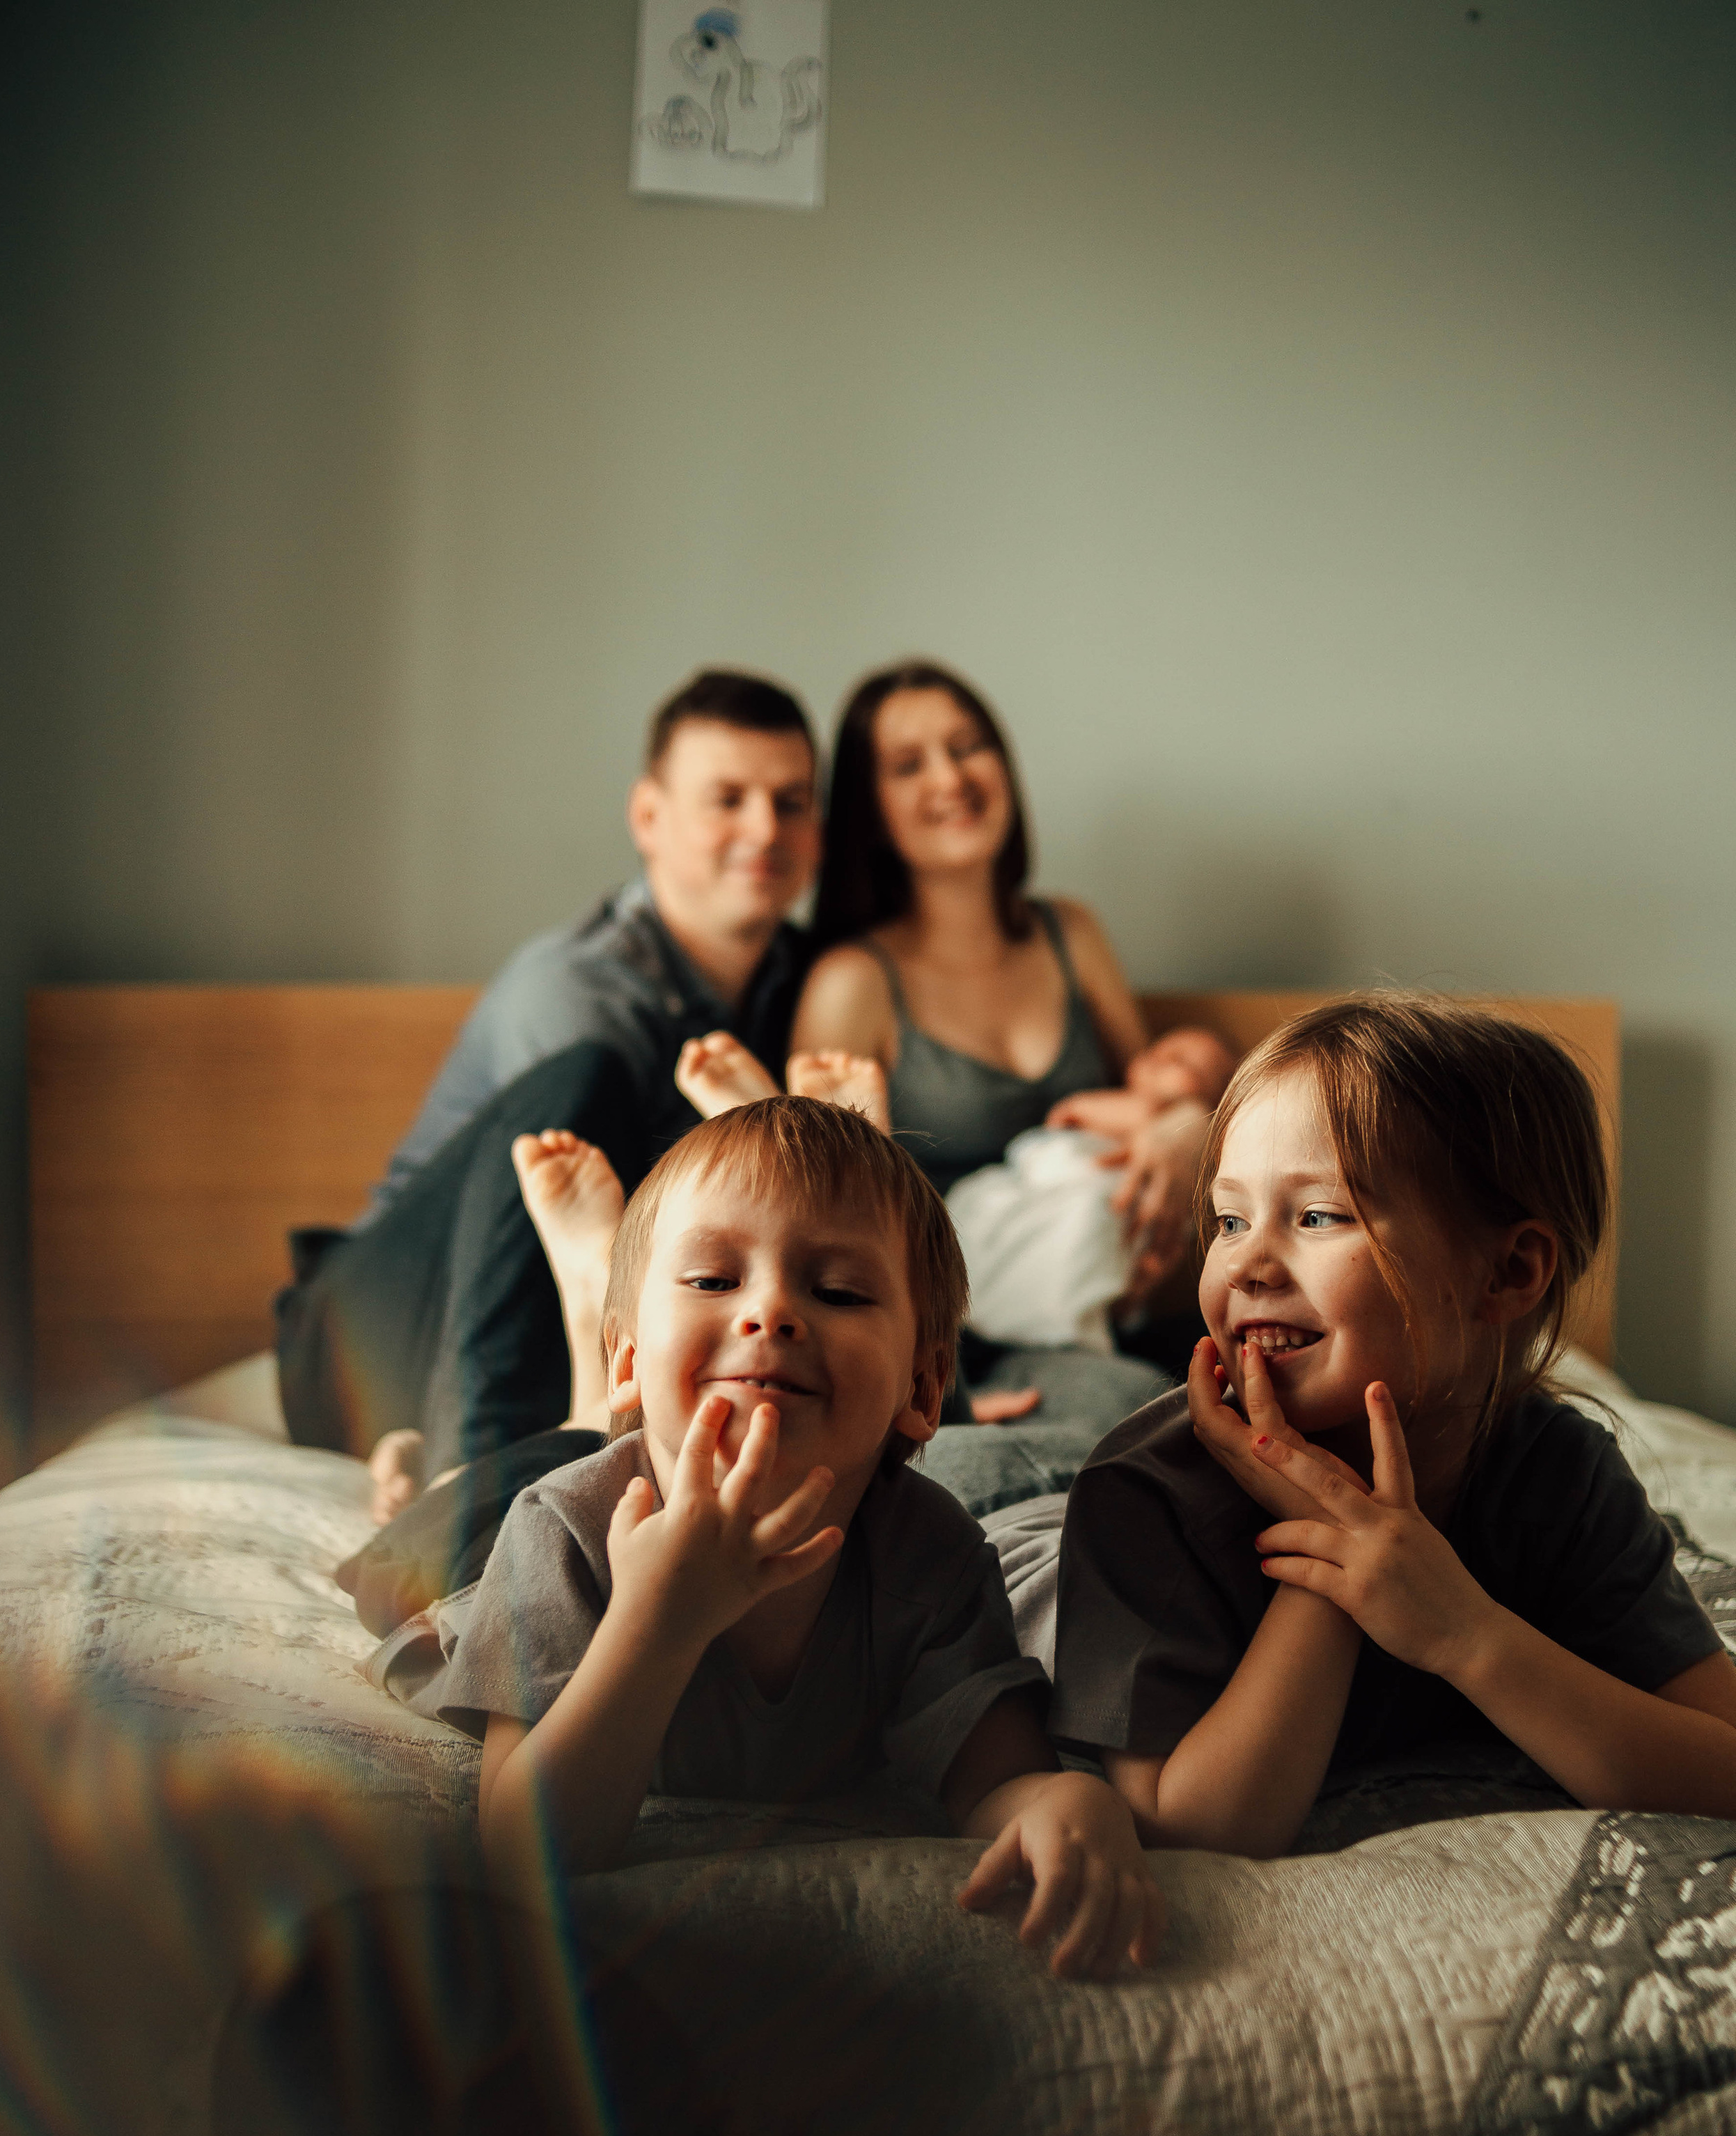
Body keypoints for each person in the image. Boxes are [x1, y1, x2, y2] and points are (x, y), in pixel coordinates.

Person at [380, 1097, 1161, 1980]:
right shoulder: (564, 1528)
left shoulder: (929, 1554)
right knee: (419, 1537)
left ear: (926, 1387)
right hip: (465, 1560)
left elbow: (996, 1779)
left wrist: (1068, 1801)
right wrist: (658, 1622)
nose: (772, 1313)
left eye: (837, 1292)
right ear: (631, 1364)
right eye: (714, 1281)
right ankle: (470, 1437)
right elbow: (527, 1851)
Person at [1049, 994, 1736, 1855]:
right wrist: (1333, 1550)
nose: (1249, 1263)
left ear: (1509, 1273)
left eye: (1317, 1216)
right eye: (1229, 1219)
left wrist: (1465, 1633)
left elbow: (1722, 1766)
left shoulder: (1557, 1471)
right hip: (1036, 1540)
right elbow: (1192, 1829)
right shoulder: (1145, 1496)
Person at [276, 668, 822, 1501]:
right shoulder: (577, 986)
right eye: (728, 798)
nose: (764, 828)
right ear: (649, 816)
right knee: (583, 1096)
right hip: (363, 1330)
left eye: (791, 801)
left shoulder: (812, 983)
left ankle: (457, 1446)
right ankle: (467, 1484)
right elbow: (577, 1236)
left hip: (549, 1323)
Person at [787, 661, 1235, 1335]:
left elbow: (1151, 1089)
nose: (951, 779)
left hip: (1093, 1294)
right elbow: (814, 1218)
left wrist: (1188, 1128)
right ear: (869, 809)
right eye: (909, 765)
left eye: (969, 747)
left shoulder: (1072, 934)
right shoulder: (853, 983)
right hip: (936, 1330)